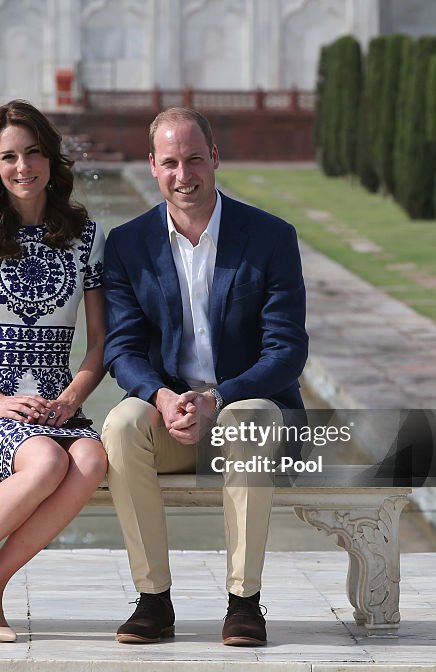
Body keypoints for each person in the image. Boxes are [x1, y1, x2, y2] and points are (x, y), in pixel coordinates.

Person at [101, 107, 308, 646]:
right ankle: (153, 600)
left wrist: (218, 398)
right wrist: (163, 398)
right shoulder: (128, 245)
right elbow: (121, 351)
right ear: (151, 166)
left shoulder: (270, 237)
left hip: (249, 415)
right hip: (174, 420)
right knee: (121, 424)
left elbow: (286, 352)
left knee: (251, 418)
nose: (183, 174)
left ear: (214, 157)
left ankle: (244, 603)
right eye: (169, 162)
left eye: (194, 158)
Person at [0, 99, 108, 643]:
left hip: (58, 405)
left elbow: (102, 342)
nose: (23, 166)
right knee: (48, 460)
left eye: (33, 152)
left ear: (52, 159)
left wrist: (74, 396)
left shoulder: (86, 238)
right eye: (9, 156)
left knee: (93, 458)